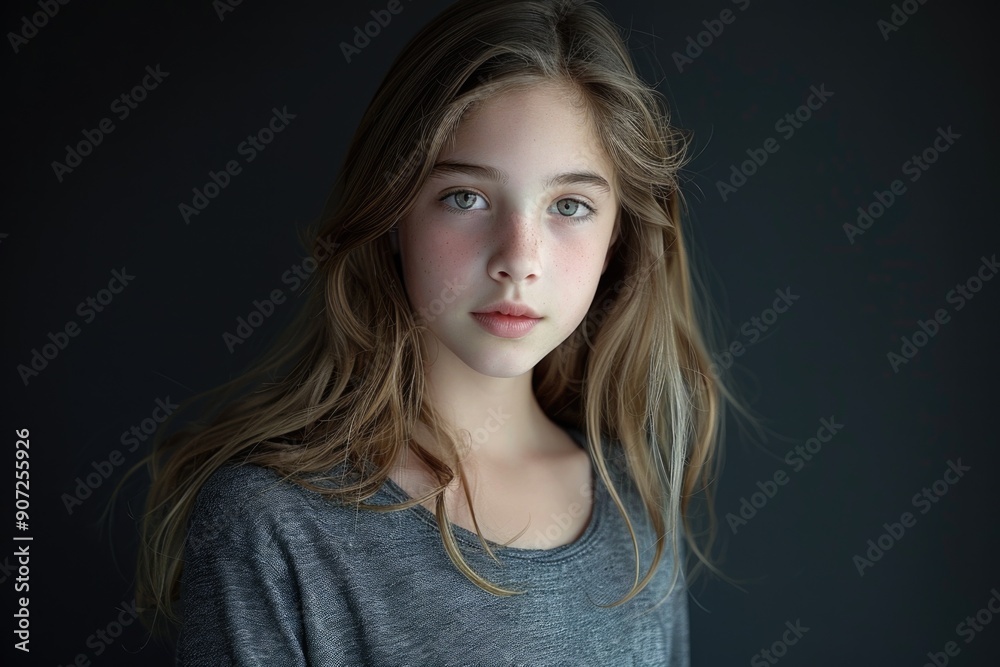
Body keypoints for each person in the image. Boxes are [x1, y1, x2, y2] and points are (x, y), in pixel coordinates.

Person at [120, 0, 754, 663]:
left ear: (617, 236)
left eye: (570, 205)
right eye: (466, 197)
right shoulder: (272, 523)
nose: (519, 257)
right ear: (394, 212)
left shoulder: (636, 504)